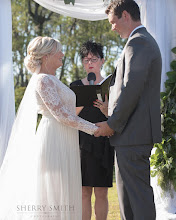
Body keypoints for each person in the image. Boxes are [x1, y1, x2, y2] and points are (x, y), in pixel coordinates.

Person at [0, 36, 98, 220]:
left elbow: (69, 112)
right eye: (58, 51)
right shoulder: (43, 80)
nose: (62, 54)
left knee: (65, 187)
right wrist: (94, 129)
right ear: (46, 56)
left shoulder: (53, 79)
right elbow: (61, 114)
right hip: (54, 137)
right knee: (54, 189)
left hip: (66, 135)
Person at [94, 1, 162, 220]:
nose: (112, 27)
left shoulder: (139, 42)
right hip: (131, 135)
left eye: (113, 22)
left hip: (133, 135)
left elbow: (131, 88)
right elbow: (130, 89)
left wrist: (112, 124)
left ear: (125, 15)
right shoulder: (139, 42)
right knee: (127, 201)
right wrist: (109, 109)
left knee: (137, 199)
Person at [70, 40, 114, 220]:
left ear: (102, 60)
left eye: (94, 59)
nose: (90, 63)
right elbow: (69, 116)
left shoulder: (111, 85)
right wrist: (83, 98)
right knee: (84, 192)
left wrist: (106, 109)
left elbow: (118, 115)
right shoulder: (75, 86)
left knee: (102, 192)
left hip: (103, 142)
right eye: (86, 59)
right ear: (82, 62)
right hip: (81, 143)